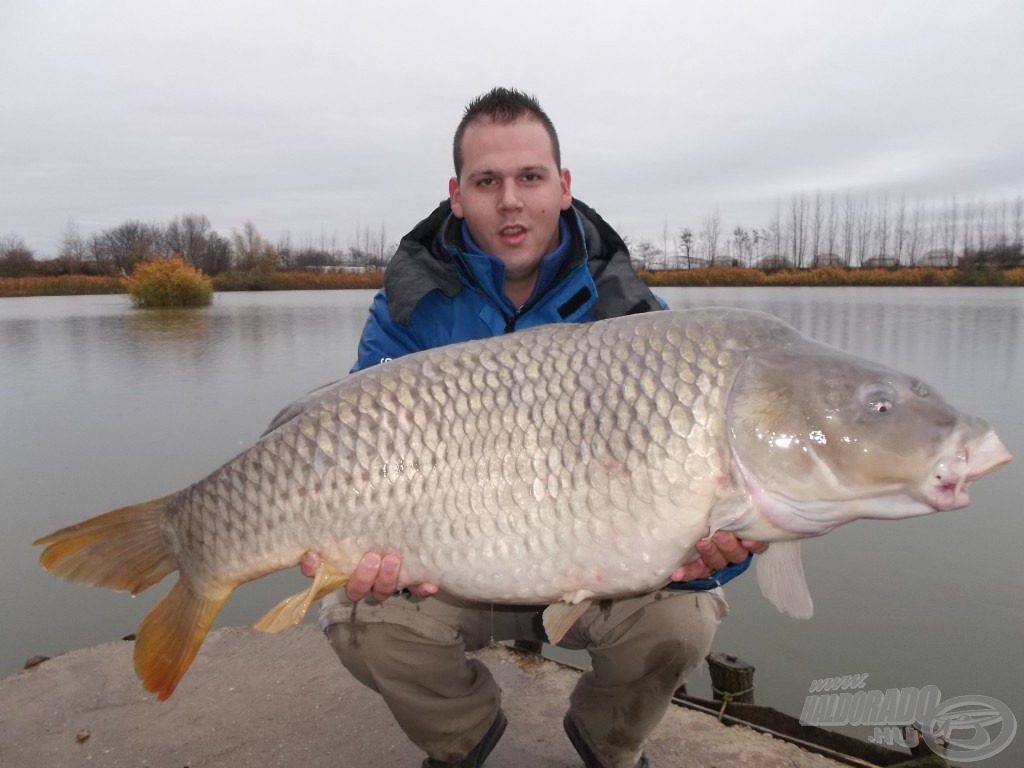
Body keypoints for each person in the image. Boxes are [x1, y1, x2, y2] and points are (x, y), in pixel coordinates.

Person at [303, 87, 766, 768]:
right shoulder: (408, 307)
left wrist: (728, 544)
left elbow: (712, 491)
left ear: (564, 186)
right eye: (487, 181)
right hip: (455, 567)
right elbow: (362, 454)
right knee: (356, 615)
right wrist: (365, 551)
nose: (511, 200)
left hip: (603, 578)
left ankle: (609, 742)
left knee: (684, 618)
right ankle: (460, 738)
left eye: (530, 177)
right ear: (457, 195)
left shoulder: (640, 318)